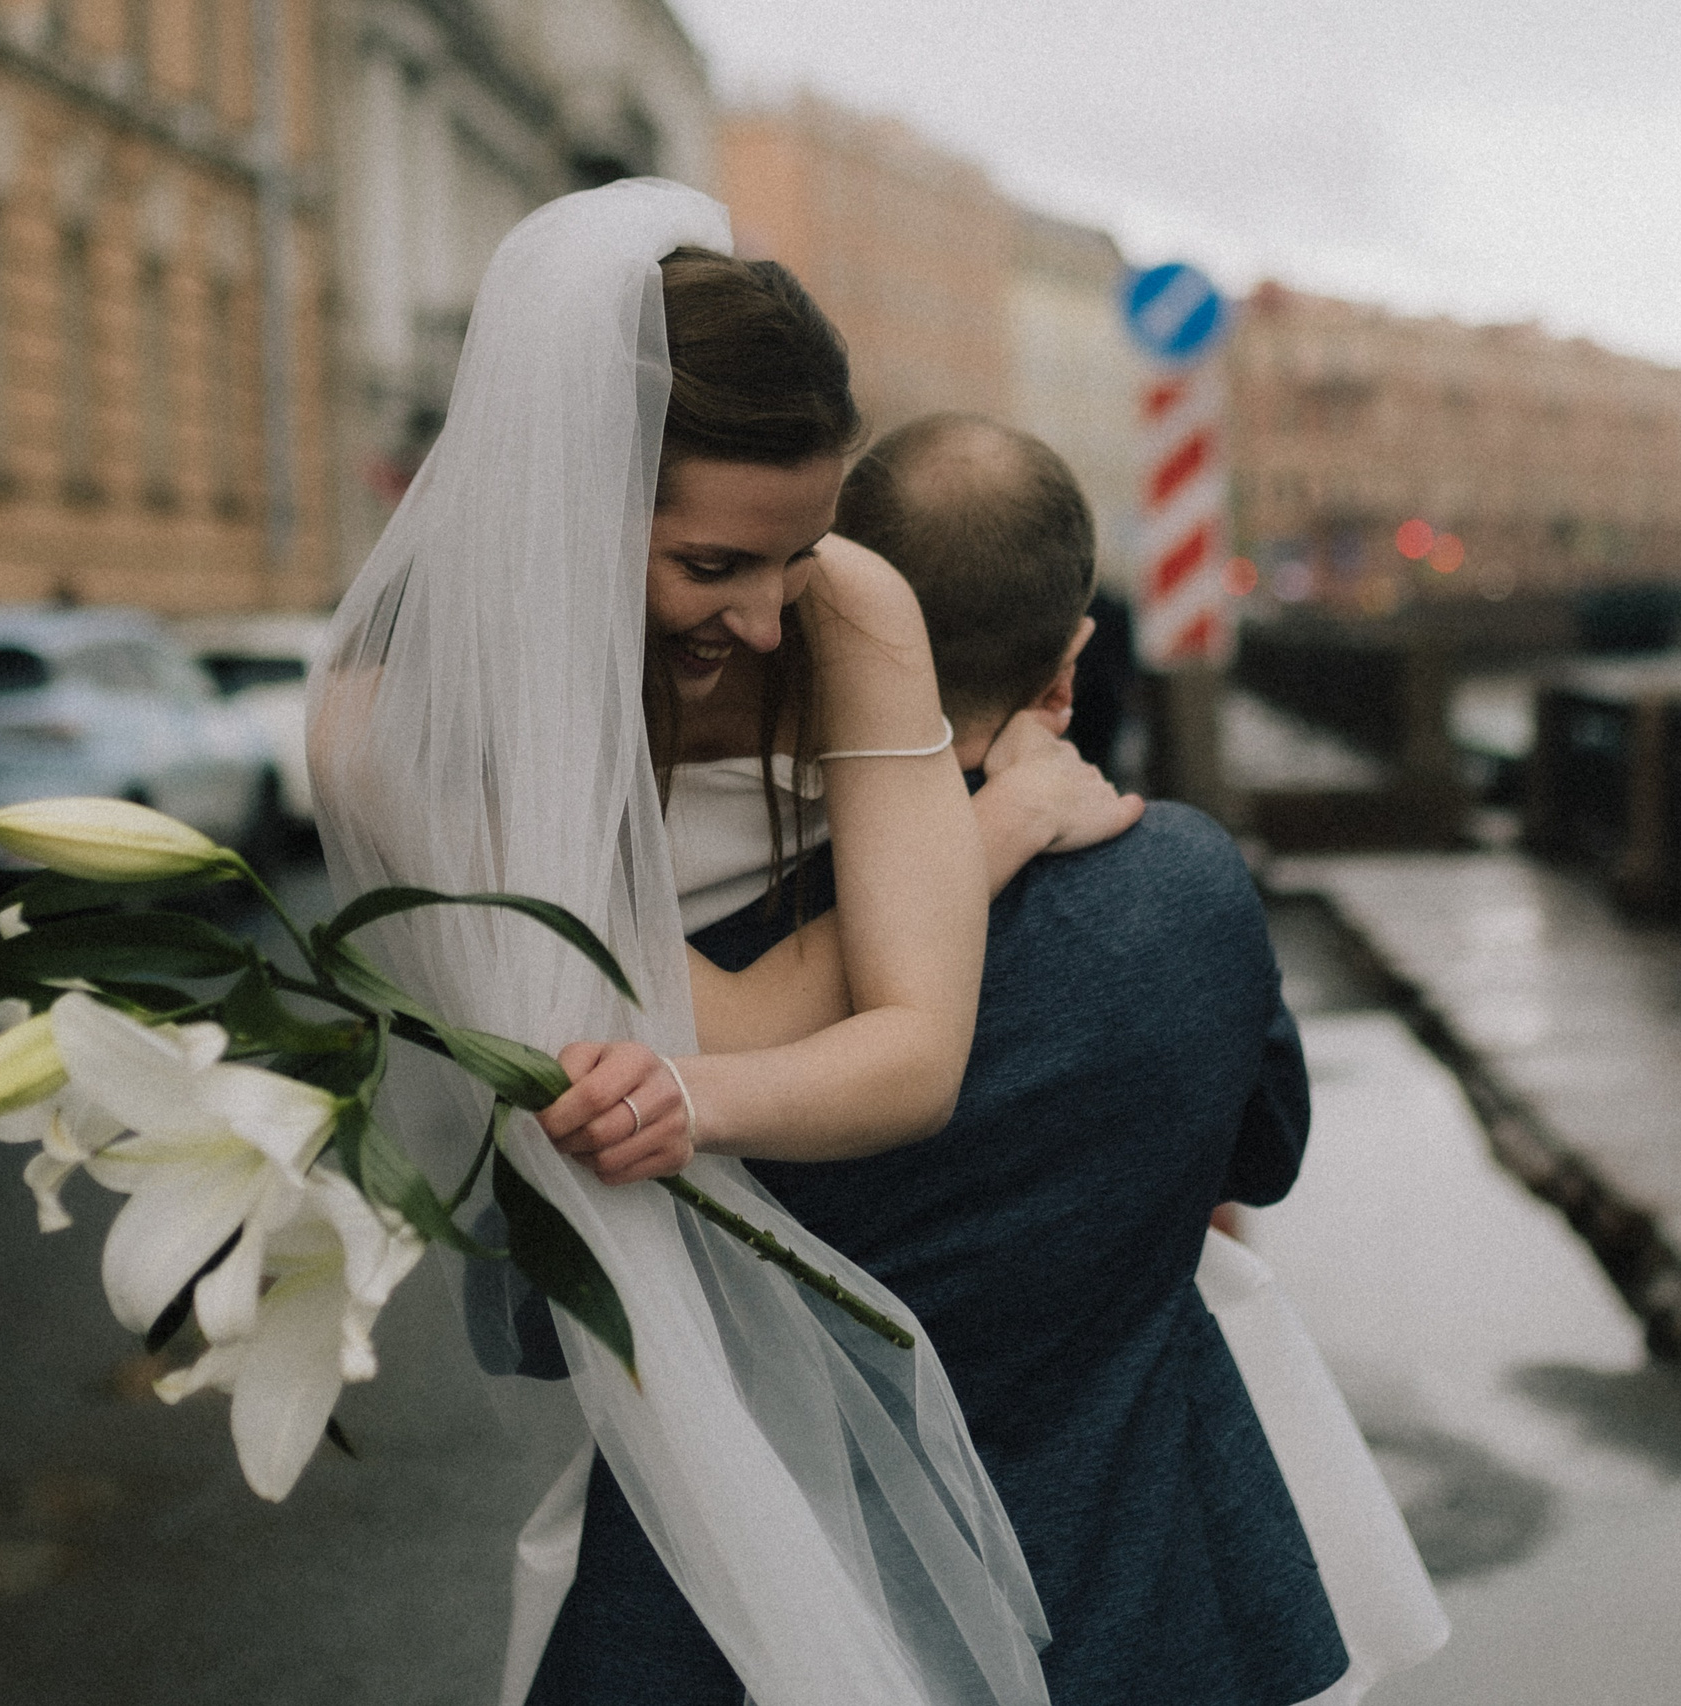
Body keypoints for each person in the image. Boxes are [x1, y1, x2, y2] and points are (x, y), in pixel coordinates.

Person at [307, 182, 1126, 1706]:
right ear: (572, 506)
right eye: (711, 566)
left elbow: (915, 1051)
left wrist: (712, 1080)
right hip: (613, 1258)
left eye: (797, 555)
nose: (766, 619)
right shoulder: (390, 730)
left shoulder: (855, 610)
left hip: (878, 1210)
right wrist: (983, 838)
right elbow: (707, 1019)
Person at [520, 412, 1381, 1704]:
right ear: (1068, 671)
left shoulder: (665, 961)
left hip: (734, 1641)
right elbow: (1262, 1147)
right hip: (1142, 1624)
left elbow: (552, 1316)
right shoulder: (1189, 890)